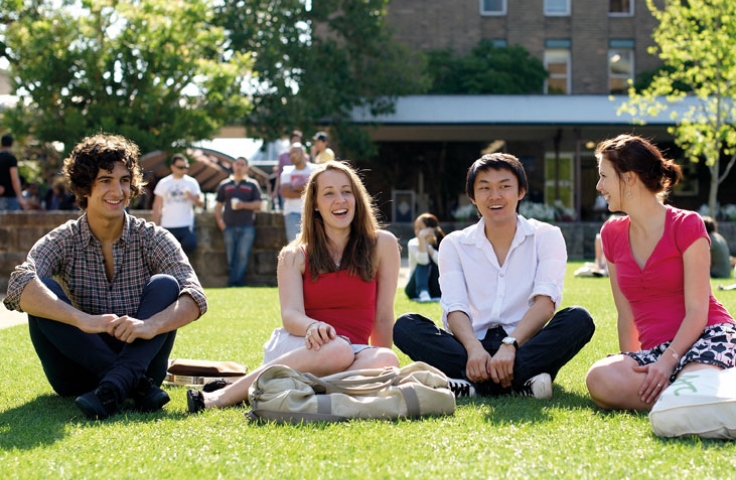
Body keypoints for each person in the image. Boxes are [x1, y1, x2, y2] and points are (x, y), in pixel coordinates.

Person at [3, 133, 208, 420]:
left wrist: (150, 325)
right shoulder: (64, 239)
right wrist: (82, 320)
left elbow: (195, 296)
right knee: (41, 289)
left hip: (142, 360)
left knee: (167, 285)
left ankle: (119, 383)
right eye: (105, 180)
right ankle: (130, 384)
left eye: (124, 180)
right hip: (77, 373)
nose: (118, 190)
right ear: (85, 187)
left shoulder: (152, 237)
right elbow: (18, 285)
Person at [187, 160, 401, 412]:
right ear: (316, 205)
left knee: (388, 359)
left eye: (346, 191)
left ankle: (283, 387)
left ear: (357, 198)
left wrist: (382, 375)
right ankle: (221, 397)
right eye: (329, 193)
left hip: (353, 352)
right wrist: (313, 326)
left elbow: (384, 316)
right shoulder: (293, 255)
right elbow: (290, 315)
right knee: (338, 351)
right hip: (304, 344)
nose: (340, 200)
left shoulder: (383, 244)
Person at [394, 153, 595, 399]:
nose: (495, 196)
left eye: (504, 186)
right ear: (473, 197)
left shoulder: (547, 236)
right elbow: (455, 307)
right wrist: (473, 349)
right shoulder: (455, 244)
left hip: (524, 342)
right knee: (406, 326)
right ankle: (522, 382)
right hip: (469, 344)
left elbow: (545, 303)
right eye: (485, 188)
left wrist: (510, 345)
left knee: (579, 319)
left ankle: (470, 384)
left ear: (521, 191)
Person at [585, 134, 736, 411]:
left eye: (604, 176)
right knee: (600, 378)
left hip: (707, 336)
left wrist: (668, 363)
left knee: (692, 388)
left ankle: (693, 394)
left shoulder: (687, 224)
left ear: (629, 178)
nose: (599, 186)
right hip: (655, 352)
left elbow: (697, 311)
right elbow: (626, 315)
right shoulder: (611, 234)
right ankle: (697, 398)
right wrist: (633, 362)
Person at [214, 157, 263, 287]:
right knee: (230, 256)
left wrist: (243, 205)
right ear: (233, 166)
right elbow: (218, 205)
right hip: (228, 226)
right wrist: (220, 222)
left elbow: (259, 204)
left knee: (242, 256)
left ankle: (236, 281)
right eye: (237, 164)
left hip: (247, 226)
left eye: (242, 164)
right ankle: (235, 281)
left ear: (247, 167)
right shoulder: (225, 184)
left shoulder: (252, 184)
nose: (239, 167)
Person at [152, 153, 204, 253]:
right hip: (167, 225)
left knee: (190, 246)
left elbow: (201, 204)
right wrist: (155, 225)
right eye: (181, 167)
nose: (184, 170)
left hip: (186, 225)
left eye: (186, 167)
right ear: (172, 167)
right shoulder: (164, 182)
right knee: (167, 254)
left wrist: (191, 197)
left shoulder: (192, 182)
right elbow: (157, 205)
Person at [280, 142, 317, 243]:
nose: (292, 155)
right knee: (294, 247)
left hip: (312, 211)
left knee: (314, 245)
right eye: (290, 153)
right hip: (292, 213)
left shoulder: (315, 169)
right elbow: (285, 193)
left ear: (303, 153)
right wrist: (307, 190)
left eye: (295, 152)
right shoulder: (286, 171)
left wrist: (295, 188)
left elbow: (317, 190)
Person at [405, 212, 444, 302]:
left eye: (421, 228)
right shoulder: (413, 243)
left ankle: (429, 293)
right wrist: (422, 241)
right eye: (416, 228)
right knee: (422, 264)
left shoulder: (443, 243)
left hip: (435, 287)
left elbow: (442, 263)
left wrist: (429, 249)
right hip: (414, 287)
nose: (417, 232)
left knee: (436, 264)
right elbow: (423, 261)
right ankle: (423, 292)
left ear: (431, 229)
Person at [273, 130, 304, 210]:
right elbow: (279, 174)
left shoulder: (305, 156)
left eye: (298, 140)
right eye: (294, 140)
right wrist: (275, 191)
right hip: (287, 190)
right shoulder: (283, 156)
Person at [0, 134, 26, 211]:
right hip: (10, 197)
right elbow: (14, 178)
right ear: (12, 144)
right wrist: (20, 197)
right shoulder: (11, 159)